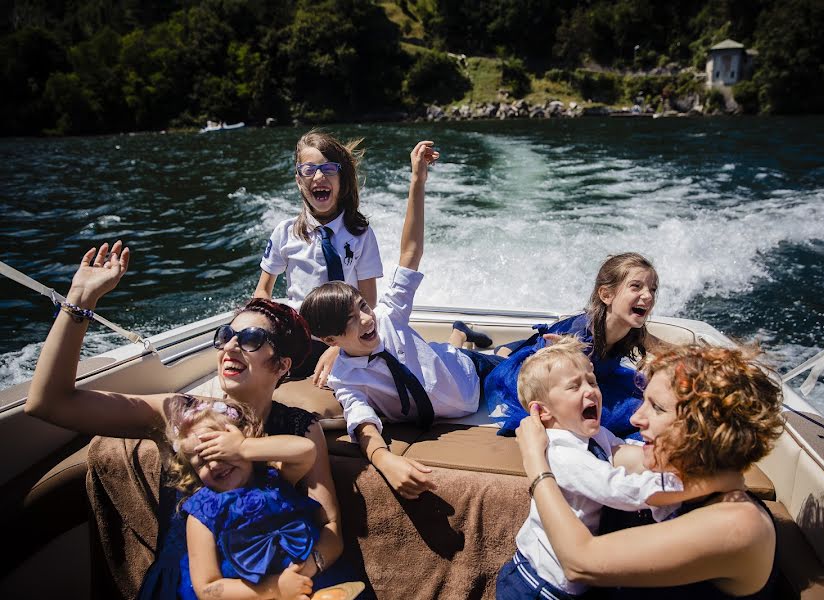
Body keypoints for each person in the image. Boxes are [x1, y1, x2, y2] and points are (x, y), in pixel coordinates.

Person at [25, 241, 352, 599]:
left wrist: (297, 576)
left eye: (251, 339)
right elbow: (49, 403)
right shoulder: (179, 412)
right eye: (225, 337)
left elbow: (330, 524)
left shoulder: (300, 428)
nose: (230, 347)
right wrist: (80, 301)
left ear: (282, 365)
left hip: (286, 574)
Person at [300, 141, 503, 500]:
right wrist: (384, 460)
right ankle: (459, 332)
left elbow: (410, 251)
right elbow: (362, 422)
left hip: (475, 373)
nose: (366, 319)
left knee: (529, 357)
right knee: (436, 353)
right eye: (351, 320)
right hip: (447, 393)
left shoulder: (387, 314)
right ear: (331, 341)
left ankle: (462, 340)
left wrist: (417, 180)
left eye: (363, 306)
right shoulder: (346, 378)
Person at [516, 344, 784, 599]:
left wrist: (535, 463)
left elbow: (580, 562)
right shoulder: (671, 468)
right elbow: (598, 457)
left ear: (703, 426)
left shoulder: (740, 523)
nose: (635, 419)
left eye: (656, 407)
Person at [487, 252, 665, 440]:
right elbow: (548, 380)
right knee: (627, 413)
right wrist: (559, 349)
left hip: (597, 380)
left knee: (653, 399)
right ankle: (471, 338)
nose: (648, 295)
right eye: (636, 287)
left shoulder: (633, 330)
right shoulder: (580, 334)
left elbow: (666, 349)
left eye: (652, 289)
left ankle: (508, 348)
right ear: (606, 295)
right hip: (545, 377)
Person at [255, 130, 383, 386]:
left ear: (342, 178)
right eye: (309, 169)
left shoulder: (361, 234)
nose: (319, 176)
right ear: (298, 180)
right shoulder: (285, 232)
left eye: (329, 168)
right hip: (299, 339)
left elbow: (369, 299)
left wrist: (340, 346)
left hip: (347, 338)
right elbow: (262, 292)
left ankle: (458, 333)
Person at [168, 395, 321, 599]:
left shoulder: (274, 480)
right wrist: (274, 588)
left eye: (220, 452)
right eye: (201, 463)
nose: (213, 465)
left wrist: (243, 448)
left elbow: (307, 450)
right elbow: (206, 589)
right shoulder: (202, 513)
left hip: (306, 584)